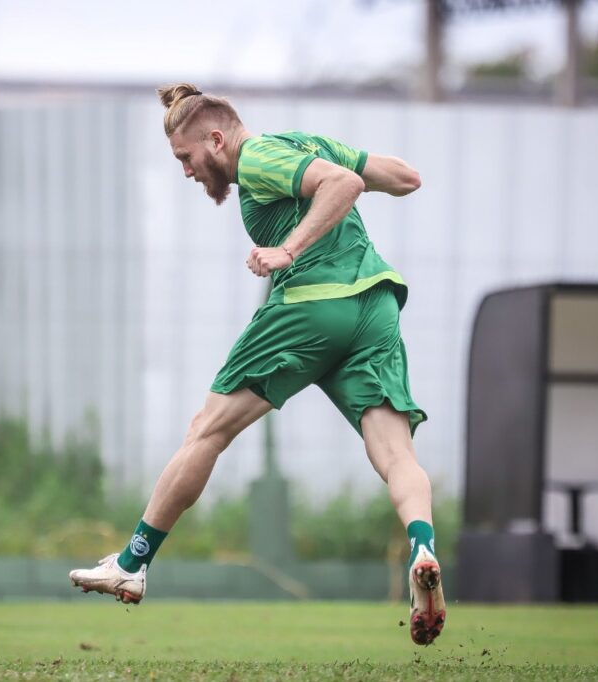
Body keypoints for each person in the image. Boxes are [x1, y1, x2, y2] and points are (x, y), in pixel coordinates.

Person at [69, 84, 445, 645]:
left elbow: (346, 183)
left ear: (216, 140)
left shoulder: (260, 156)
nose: (188, 172)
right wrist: (343, 167)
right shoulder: (304, 145)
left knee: (207, 430)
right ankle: (422, 548)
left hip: (313, 307)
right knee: (394, 454)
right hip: (376, 307)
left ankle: (131, 562)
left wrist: (288, 250)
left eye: (186, 158)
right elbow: (404, 177)